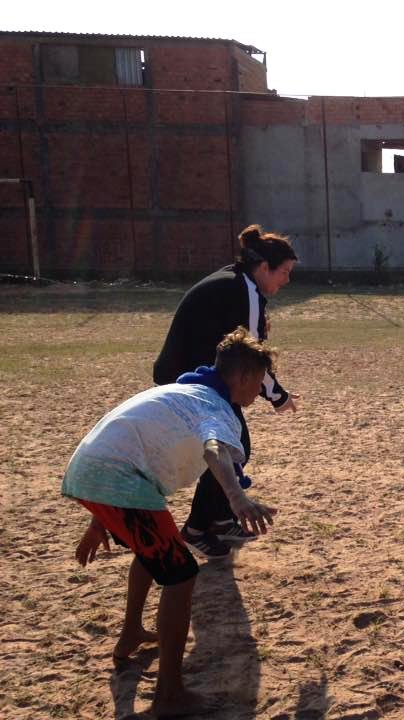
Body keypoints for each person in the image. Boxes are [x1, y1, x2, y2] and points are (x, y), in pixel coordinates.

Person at [63, 327, 278, 718]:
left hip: (92, 469)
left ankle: (130, 633)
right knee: (180, 576)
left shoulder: (186, 391)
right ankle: (169, 695)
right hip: (117, 478)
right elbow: (215, 450)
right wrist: (237, 498)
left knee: (153, 553)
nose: (258, 396)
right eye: (259, 385)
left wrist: (100, 518)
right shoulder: (216, 408)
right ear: (244, 377)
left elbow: (125, 436)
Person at [153, 224, 298, 559]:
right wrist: (278, 396)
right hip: (192, 383)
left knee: (233, 447)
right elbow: (250, 357)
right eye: (284, 272)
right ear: (263, 268)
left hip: (193, 378)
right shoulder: (244, 289)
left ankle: (219, 520)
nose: (287, 281)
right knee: (233, 447)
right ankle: (195, 530)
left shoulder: (236, 281)